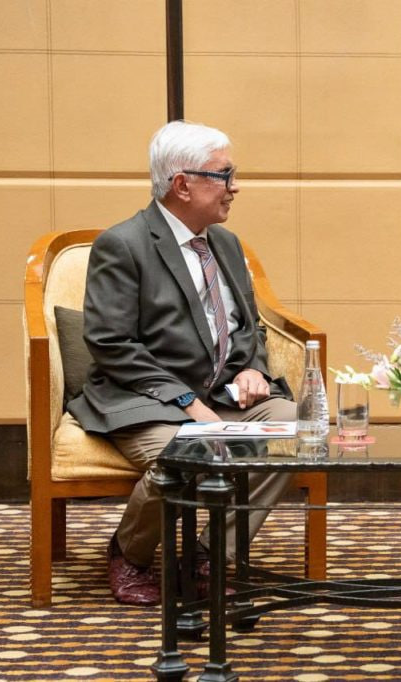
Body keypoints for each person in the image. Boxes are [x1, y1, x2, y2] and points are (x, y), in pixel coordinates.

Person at [68, 120, 296, 606]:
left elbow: (248, 325)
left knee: (295, 428)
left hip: (222, 395)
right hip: (146, 400)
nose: (235, 187)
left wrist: (252, 367)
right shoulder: (124, 244)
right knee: (190, 450)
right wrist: (188, 403)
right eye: (224, 174)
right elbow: (111, 343)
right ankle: (129, 553)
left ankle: (207, 555)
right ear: (182, 184)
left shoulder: (226, 244)